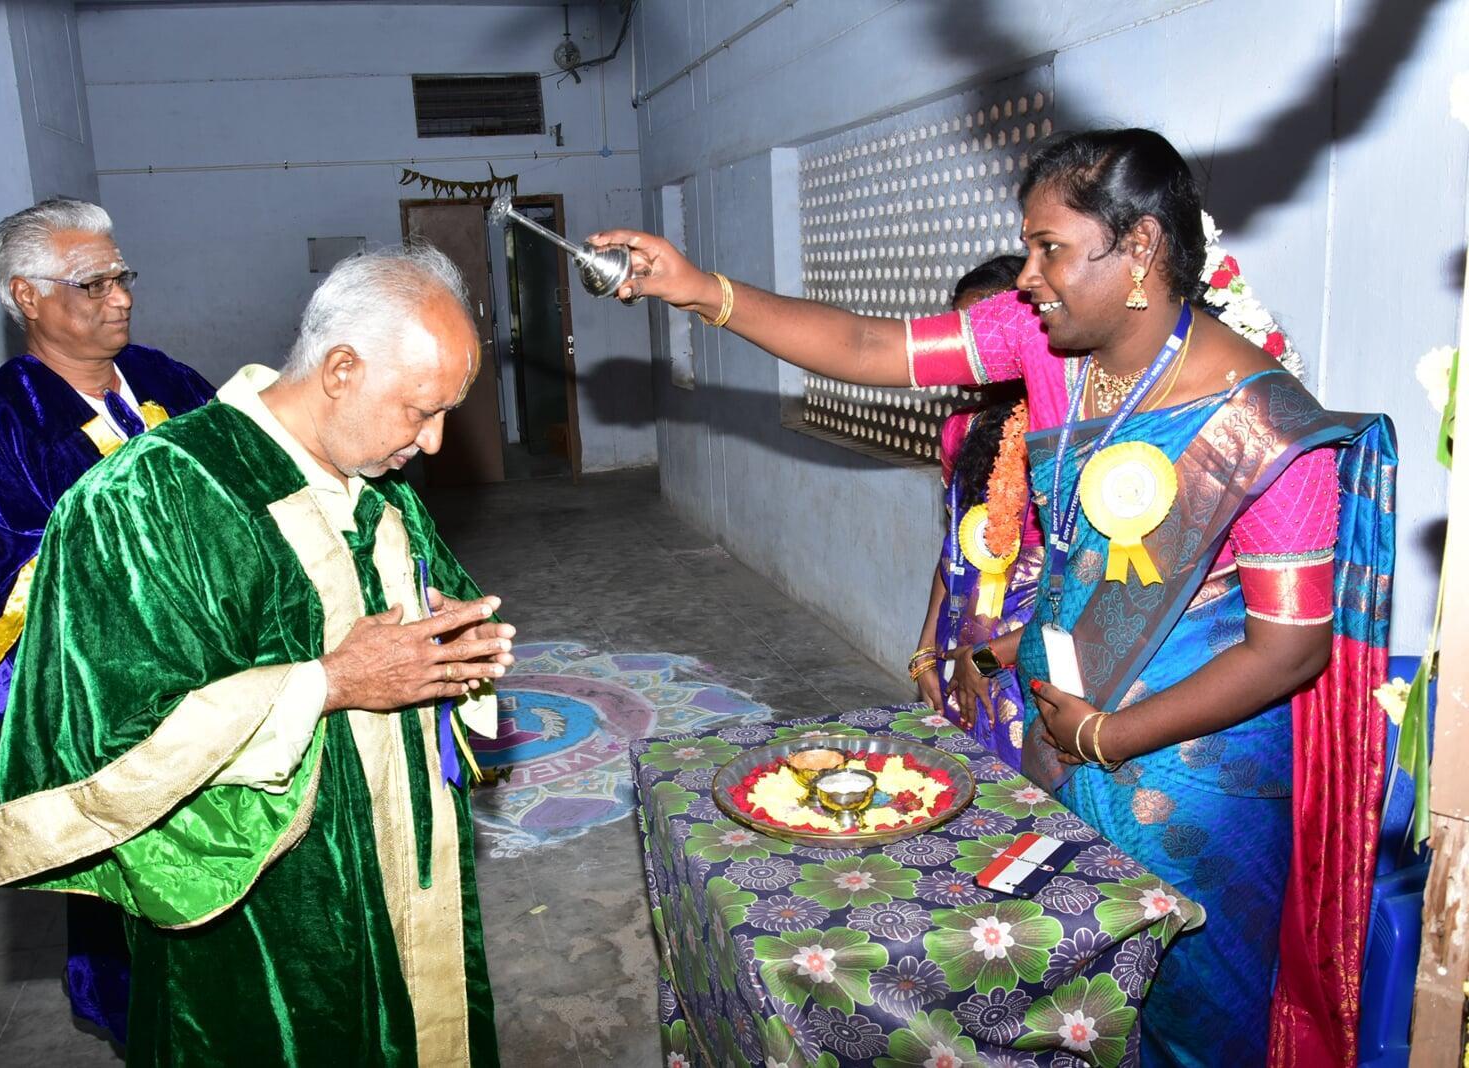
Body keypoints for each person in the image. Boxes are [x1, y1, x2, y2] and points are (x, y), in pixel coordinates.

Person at [591, 128, 1393, 1067]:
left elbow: (1289, 649)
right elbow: (868, 344)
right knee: (1068, 987)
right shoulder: (1046, 343)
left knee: (1190, 1014)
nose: (1029, 276)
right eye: (1028, 248)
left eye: (1051, 248)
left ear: (1139, 247)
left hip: (1192, 781)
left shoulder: (1266, 429)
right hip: (1061, 733)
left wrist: (1111, 736)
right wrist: (701, 290)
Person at [0, 245, 517, 1067]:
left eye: (447, 411)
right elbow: (107, 743)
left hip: (411, 876)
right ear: (341, 369)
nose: (435, 440)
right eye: (422, 410)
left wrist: (458, 649)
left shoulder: (378, 482)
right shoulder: (150, 499)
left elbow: (429, 620)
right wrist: (330, 683)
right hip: (273, 916)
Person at [0, 197, 214, 1041]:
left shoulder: (170, 383)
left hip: (235, 690)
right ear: (28, 297)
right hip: (111, 718)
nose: (122, 297)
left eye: (123, 276)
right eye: (94, 283)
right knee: (144, 912)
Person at [909, 255, 1038, 767]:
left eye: (982, 333)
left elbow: (1082, 585)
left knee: (1022, 783)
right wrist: (925, 648)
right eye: (960, 332)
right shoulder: (959, 429)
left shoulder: (1054, 428)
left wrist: (987, 657)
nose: (966, 348)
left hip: (1027, 642)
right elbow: (954, 549)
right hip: (959, 630)